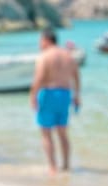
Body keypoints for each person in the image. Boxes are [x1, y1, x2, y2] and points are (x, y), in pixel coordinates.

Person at [30, 28, 81, 176]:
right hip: (65, 94)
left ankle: (52, 167)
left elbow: (38, 78)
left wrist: (32, 96)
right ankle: (66, 165)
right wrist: (77, 95)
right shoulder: (68, 56)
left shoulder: (44, 57)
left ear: (46, 40)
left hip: (48, 93)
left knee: (46, 133)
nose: (39, 44)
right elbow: (76, 77)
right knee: (63, 133)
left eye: (40, 40)